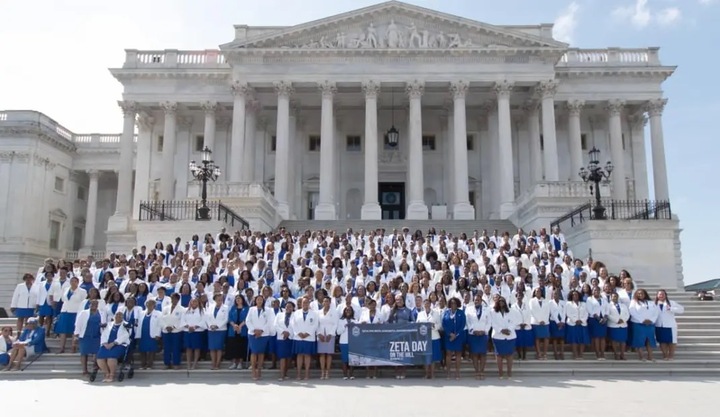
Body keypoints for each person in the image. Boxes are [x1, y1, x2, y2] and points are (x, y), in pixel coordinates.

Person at [96, 310, 131, 383]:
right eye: (117, 314)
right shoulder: (109, 324)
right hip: (106, 345)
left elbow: (126, 335)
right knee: (100, 357)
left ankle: (112, 375)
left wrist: (113, 343)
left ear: (122, 316)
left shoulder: (126, 324)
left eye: (120, 315)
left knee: (111, 357)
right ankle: (106, 373)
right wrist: (105, 343)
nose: (118, 316)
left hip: (119, 345)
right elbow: (104, 334)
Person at [56, 276, 87, 354]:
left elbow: (84, 302)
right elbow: (63, 300)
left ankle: (74, 347)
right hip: (65, 311)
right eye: (71, 281)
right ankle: (61, 348)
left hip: (75, 312)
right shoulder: (66, 290)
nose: (73, 283)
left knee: (74, 330)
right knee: (63, 331)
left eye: (75, 281)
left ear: (77, 282)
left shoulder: (82, 291)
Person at [74, 299, 105, 375]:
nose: (94, 305)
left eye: (96, 304)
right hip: (85, 336)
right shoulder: (83, 313)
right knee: (84, 353)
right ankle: (85, 370)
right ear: (89, 304)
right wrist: (76, 335)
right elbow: (78, 324)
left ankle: (95, 367)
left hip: (97, 336)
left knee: (97, 353)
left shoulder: (101, 313)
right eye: (92, 303)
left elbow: (104, 323)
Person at [292, 297, 319, 381]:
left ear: (309, 304)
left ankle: (307, 374)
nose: (305, 304)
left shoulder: (314, 314)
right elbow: (293, 324)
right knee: (299, 355)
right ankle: (299, 374)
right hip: (298, 337)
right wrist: (299, 333)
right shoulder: (296, 313)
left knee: (307, 355)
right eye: (303, 303)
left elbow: (315, 325)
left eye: (306, 302)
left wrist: (307, 333)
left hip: (309, 337)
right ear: (301, 304)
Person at [246, 294, 273, 380]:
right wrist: (254, 330)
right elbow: (248, 320)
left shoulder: (268, 310)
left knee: (261, 352)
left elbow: (269, 322)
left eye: (261, 300)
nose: (259, 301)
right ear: (255, 301)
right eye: (258, 300)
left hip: (264, 334)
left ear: (263, 301)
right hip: (252, 334)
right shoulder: (251, 309)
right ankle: (253, 370)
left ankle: (259, 370)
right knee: (254, 352)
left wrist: (261, 331)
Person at [388, 293, 414, 379]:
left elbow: (413, 322)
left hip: (405, 335)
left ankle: (403, 372)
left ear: (403, 301)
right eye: (397, 300)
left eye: (400, 300)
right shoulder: (393, 310)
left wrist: (407, 324)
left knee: (404, 354)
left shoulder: (408, 310)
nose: (398, 301)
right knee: (396, 354)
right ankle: (397, 372)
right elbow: (388, 322)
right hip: (395, 336)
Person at [489, 297, 516, 379]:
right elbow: (493, 323)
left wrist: (509, 330)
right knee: (499, 355)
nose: (501, 303)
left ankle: (509, 373)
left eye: (503, 301)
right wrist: (501, 330)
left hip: (510, 336)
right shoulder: (493, 312)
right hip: (498, 336)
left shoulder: (511, 311)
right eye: (499, 301)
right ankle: (501, 374)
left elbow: (514, 322)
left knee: (509, 355)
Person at [629, 289, 659, 361]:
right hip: (638, 324)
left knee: (649, 340)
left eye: (642, 293)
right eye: (638, 293)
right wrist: (642, 320)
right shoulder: (633, 302)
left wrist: (651, 320)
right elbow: (632, 312)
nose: (640, 294)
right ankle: (641, 356)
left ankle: (650, 356)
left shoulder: (651, 302)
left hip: (650, 324)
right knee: (639, 340)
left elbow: (656, 312)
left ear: (645, 294)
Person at [465, 294, 490, 380]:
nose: (477, 301)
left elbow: (489, 322)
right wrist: (473, 330)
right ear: (473, 301)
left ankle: (482, 371)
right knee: (474, 354)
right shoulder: (468, 309)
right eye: (475, 300)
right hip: (473, 335)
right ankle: (476, 371)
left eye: (478, 300)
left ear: (481, 301)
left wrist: (484, 330)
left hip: (483, 334)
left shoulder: (487, 309)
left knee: (483, 354)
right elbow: (467, 322)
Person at [655, 289, 684, 361]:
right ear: (657, 296)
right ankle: (665, 355)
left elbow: (681, 310)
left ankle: (671, 356)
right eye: (659, 294)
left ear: (665, 295)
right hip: (659, 325)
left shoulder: (671, 303)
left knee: (672, 341)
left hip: (670, 325)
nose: (661, 295)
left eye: (662, 294)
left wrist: (671, 308)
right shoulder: (654, 304)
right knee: (662, 341)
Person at [358, 298, 383, 379]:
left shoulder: (379, 313)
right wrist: (362, 323)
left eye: (374, 304)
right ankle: (368, 373)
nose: (373, 306)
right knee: (367, 355)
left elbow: (383, 323)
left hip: (376, 337)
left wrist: (380, 324)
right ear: (368, 305)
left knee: (375, 355)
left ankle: (375, 373)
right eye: (371, 304)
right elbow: (359, 322)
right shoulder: (364, 313)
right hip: (367, 336)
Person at [160, 293, 185, 369]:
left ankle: (176, 364)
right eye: (172, 298)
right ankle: (167, 363)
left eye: (175, 298)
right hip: (166, 331)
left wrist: (173, 327)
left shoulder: (182, 309)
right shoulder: (165, 308)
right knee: (167, 348)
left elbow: (182, 320)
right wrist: (166, 326)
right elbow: (161, 319)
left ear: (178, 299)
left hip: (176, 331)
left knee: (176, 348)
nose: (173, 300)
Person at [136, 299, 162, 369]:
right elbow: (138, 324)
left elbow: (160, 325)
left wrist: (158, 334)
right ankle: (143, 364)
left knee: (151, 349)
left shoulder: (158, 313)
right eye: (148, 304)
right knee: (142, 349)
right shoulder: (141, 313)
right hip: (143, 334)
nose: (149, 305)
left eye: (151, 304)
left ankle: (150, 364)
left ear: (154, 305)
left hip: (153, 334)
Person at [181, 297, 206, 370]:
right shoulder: (185, 310)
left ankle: (195, 364)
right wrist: (188, 326)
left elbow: (203, 321)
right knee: (188, 348)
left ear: (198, 302)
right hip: (188, 331)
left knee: (196, 348)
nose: (194, 303)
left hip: (197, 332)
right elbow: (183, 320)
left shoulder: (202, 311)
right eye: (192, 301)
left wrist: (195, 327)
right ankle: (188, 364)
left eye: (195, 302)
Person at [226, 295, 249, 370]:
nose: (238, 300)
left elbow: (248, 318)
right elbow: (229, 318)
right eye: (236, 299)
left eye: (239, 298)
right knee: (233, 346)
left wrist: (240, 326)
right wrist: (234, 325)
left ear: (242, 299)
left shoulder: (246, 308)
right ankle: (234, 363)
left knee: (241, 346)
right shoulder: (233, 308)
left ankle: (240, 363)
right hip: (233, 329)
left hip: (243, 329)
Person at [317, 297, 338, 380]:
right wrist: (319, 333)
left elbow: (335, 324)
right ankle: (322, 372)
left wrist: (330, 334)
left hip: (330, 334)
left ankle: (327, 372)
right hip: (321, 334)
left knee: (329, 354)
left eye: (327, 301)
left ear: (330, 302)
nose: (326, 302)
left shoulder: (334, 312)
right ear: (322, 302)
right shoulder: (318, 312)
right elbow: (317, 324)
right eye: (324, 301)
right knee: (322, 354)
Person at [206, 293, 229, 370]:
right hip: (211, 330)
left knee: (219, 347)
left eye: (221, 299)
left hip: (220, 330)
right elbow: (207, 317)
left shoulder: (226, 308)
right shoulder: (210, 307)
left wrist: (217, 326)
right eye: (218, 299)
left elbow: (226, 319)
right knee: (212, 348)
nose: (220, 300)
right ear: (215, 299)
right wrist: (210, 325)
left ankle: (218, 364)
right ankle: (213, 363)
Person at [586, 287, 610, 360]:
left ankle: (602, 353)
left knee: (602, 337)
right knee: (596, 337)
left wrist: (605, 318)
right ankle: (598, 354)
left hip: (603, 320)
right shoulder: (589, 299)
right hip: (594, 319)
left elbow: (607, 309)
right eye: (595, 290)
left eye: (598, 290)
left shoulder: (604, 300)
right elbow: (590, 310)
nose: (596, 291)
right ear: (592, 291)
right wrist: (598, 319)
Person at [274, 300, 295, 381]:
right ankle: (281, 375)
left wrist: (289, 333)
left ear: (293, 308)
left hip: (291, 337)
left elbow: (297, 325)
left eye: (290, 306)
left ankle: (286, 373)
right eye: (287, 306)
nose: (288, 308)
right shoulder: (279, 315)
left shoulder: (295, 315)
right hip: (281, 338)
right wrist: (283, 332)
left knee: (288, 357)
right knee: (282, 357)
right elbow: (275, 325)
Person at [564, 290, 589, 359]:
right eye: (573, 295)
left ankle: (581, 354)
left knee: (582, 339)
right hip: (572, 324)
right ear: (571, 296)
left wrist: (582, 320)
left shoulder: (584, 304)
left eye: (576, 295)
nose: (575, 296)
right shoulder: (568, 304)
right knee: (574, 339)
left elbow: (586, 313)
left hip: (582, 323)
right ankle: (575, 354)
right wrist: (575, 320)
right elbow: (568, 313)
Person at [36, 271, 61, 336]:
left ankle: (47, 331)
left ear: (52, 276)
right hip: (43, 302)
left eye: (50, 275)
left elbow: (56, 293)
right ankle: (39, 331)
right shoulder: (42, 283)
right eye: (47, 275)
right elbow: (39, 293)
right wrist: (37, 303)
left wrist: (54, 301)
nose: (49, 276)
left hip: (50, 302)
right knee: (41, 316)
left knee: (49, 317)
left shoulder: (56, 283)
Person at [529, 287, 551, 360]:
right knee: (537, 338)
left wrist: (544, 320)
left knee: (546, 337)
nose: (538, 292)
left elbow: (547, 311)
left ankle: (545, 353)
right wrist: (539, 320)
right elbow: (532, 311)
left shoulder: (545, 301)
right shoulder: (531, 301)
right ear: (534, 293)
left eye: (539, 291)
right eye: (536, 291)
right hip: (535, 322)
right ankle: (539, 353)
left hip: (545, 322)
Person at [336, 305, 357, 380]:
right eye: (346, 310)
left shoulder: (355, 320)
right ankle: (345, 375)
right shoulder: (341, 320)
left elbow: (358, 331)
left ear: (352, 312)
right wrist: (344, 326)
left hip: (353, 342)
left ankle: (351, 374)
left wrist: (354, 326)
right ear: (344, 312)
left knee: (352, 359)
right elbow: (338, 332)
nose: (348, 312)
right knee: (344, 359)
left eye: (349, 310)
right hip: (343, 342)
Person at [607, 292, 629, 360]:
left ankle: (622, 354)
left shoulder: (623, 305)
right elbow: (608, 315)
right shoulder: (608, 305)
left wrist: (623, 320)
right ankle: (616, 354)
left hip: (623, 325)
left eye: (616, 296)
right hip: (613, 325)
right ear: (611, 297)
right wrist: (616, 320)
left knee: (623, 341)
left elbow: (627, 314)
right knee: (614, 341)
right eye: (613, 296)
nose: (614, 298)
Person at [511, 293, 532, 361]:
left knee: (525, 342)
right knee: (518, 342)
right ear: (516, 297)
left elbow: (529, 315)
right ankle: (519, 355)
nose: (519, 297)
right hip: (517, 327)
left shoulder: (526, 305)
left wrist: (525, 323)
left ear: (523, 297)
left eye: (520, 296)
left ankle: (524, 355)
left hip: (525, 326)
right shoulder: (513, 306)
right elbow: (512, 317)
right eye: (518, 296)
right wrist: (519, 324)